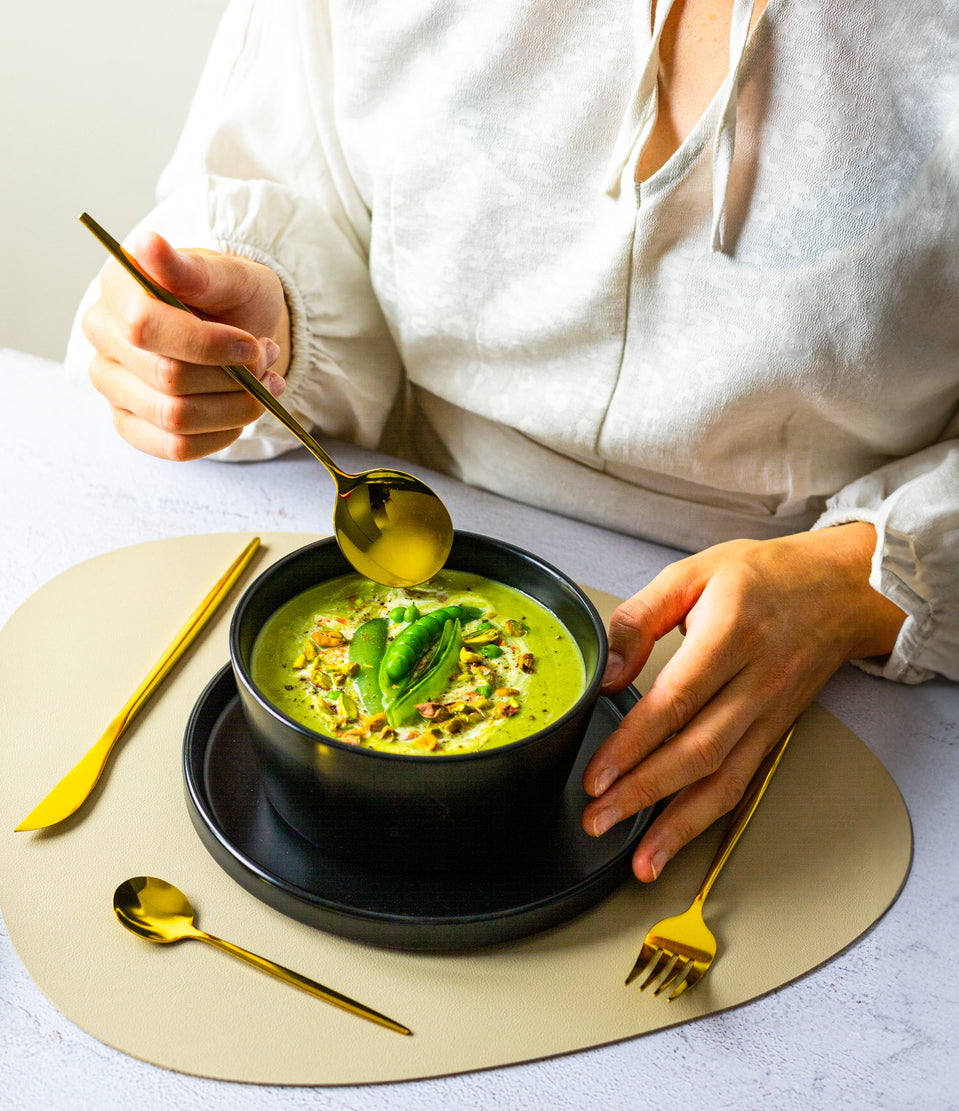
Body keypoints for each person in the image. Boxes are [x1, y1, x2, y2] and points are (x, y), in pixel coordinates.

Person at [67, 0, 959, 881]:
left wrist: (863, 579)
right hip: (408, 529)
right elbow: (289, 185)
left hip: (817, 671)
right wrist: (261, 324)